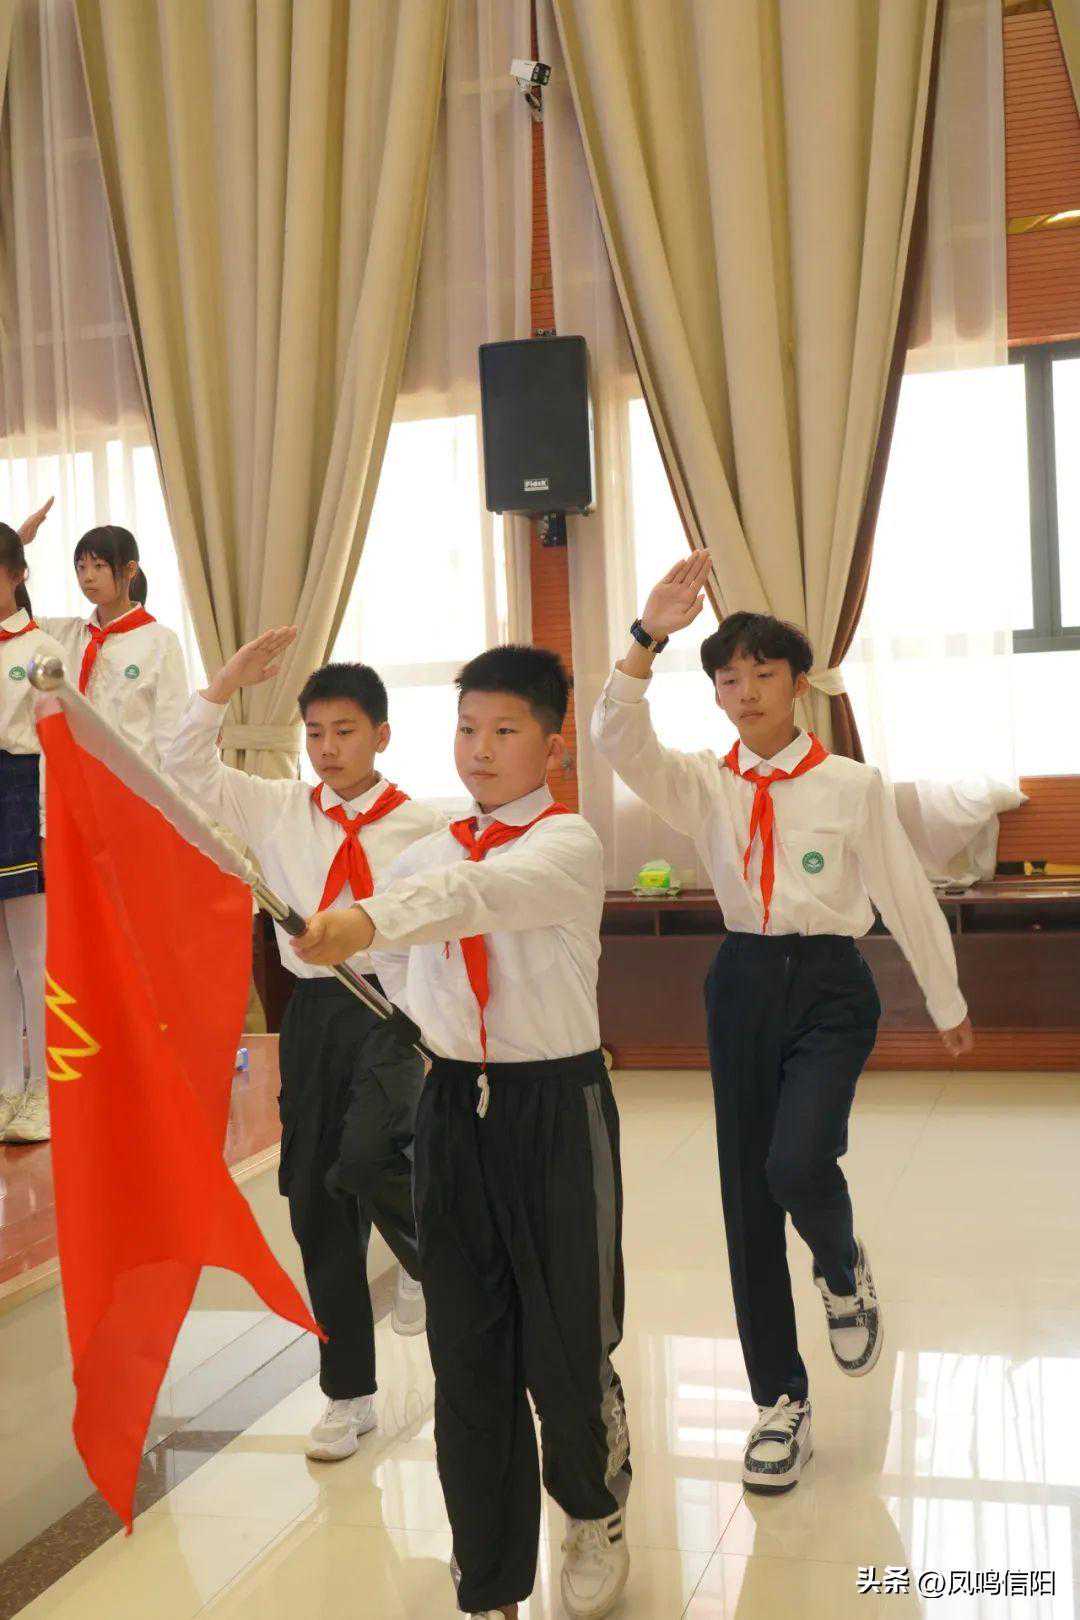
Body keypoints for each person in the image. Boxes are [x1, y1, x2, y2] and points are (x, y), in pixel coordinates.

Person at [591, 555, 973, 1496]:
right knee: (746, 1198)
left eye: (764, 673)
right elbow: (614, 735)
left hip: (832, 985)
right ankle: (779, 1400)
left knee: (796, 1162)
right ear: (716, 695)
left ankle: (841, 1270)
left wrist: (947, 999)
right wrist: (647, 635)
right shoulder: (702, 783)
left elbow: (903, 890)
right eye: (729, 679)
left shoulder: (850, 784)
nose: (747, 691)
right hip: (743, 980)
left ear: (799, 683)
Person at [291, 645, 632, 1620]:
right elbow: (397, 967)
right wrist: (348, 938)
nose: (479, 749)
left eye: (505, 730)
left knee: (564, 1343)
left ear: (553, 746)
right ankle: (488, 1577)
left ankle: (592, 1510)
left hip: (554, 1108)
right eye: (468, 728)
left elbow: (473, 899)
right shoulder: (426, 851)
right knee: (468, 1357)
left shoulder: (567, 843)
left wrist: (364, 918)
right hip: (452, 1108)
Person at [164, 627, 446, 1461]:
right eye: (315, 733)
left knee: (367, 1157)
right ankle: (348, 1395)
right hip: (316, 1015)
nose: (327, 749)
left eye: (345, 732)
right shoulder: (279, 806)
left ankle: (430, 1260)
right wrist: (223, 684)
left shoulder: (427, 826)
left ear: (382, 735)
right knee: (317, 1204)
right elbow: (181, 768)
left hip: (394, 1012)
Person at [19, 502, 188, 769]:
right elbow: (8, 615)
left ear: (130, 570)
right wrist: (16, 546)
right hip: (74, 777)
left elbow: (172, 733)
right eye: (81, 567)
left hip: (133, 782)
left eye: (99, 566)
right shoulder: (66, 634)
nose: (88, 577)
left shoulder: (160, 641)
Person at [0, 524, 66, 1144]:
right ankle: (5, 1087)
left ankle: (46, 1090)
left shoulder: (43, 648)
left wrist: (47, 826)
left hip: (21, 793)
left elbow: (54, 745)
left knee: (34, 956)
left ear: (19, 575)